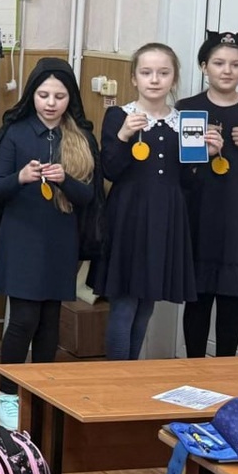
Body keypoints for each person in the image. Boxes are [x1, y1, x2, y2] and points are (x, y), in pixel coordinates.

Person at [0, 58, 103, 429]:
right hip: (21, 238)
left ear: (70, 99)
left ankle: (43, 392)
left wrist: (66, 179)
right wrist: (20, 176)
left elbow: (89, 197)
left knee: (50, 321)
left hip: (61, 240)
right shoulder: (15, 133)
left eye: (59, 96)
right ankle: (7, 396)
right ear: (32, 95)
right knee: (23, 319)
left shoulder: (80, 136)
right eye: (43, 95)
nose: (51, 103)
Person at [96, 43, 217, 360]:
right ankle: (118, 376)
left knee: (146, 304)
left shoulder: (184, 123)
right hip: (129, 216)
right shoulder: (118, 116)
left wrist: (205, 155)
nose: (154, 79)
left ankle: (133, 373)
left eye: (163, 73)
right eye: (146, 72)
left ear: (174, 78)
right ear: (134, 78)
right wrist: (123, 135)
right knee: (124, 303)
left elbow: (187, 181)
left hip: (167, 217)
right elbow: (110, 170)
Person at [178, 31, 238, 358]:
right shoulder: (187, 109)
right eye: (218, 63)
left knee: (232, 295)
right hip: (199, 213)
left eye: (235, 64)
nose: (227, 70)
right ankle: (193, 368)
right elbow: (179, 166)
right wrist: (204, 150)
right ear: (204, 66)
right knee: (198, 297)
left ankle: (226, 370)